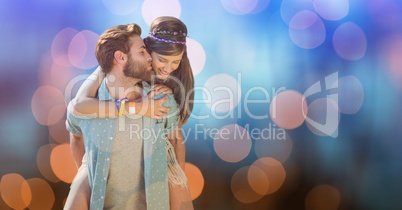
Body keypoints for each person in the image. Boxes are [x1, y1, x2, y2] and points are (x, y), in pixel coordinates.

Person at [65, 17, 194, 210]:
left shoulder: (162, 96)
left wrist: (175, 183)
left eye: (175, 62)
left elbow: (176, 139)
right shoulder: (98, 87)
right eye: (143, 52)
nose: (167, 68)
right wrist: (89, 171)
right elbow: (78, 110)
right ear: (121, 57)